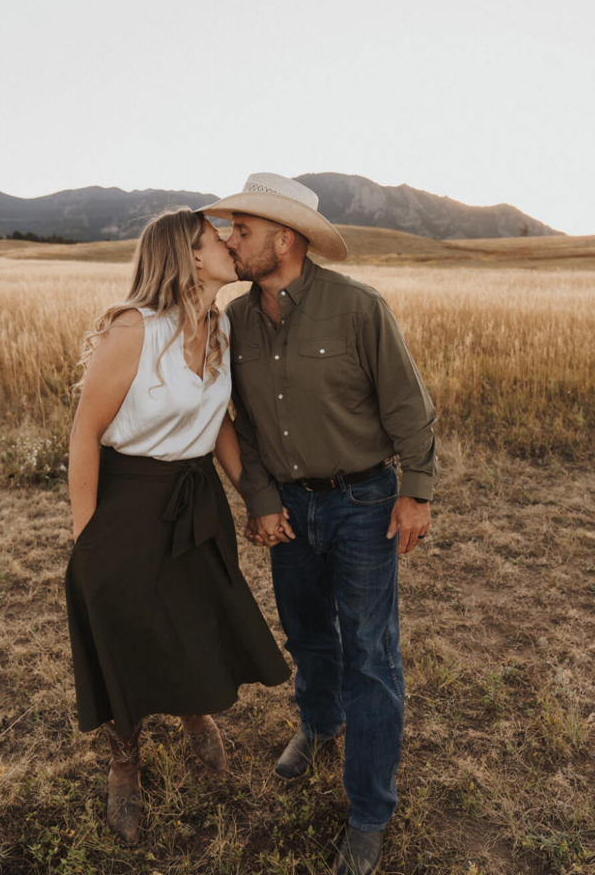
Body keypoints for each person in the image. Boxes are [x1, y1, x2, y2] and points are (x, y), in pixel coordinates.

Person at [201, 174, 436, 875]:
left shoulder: (357, 307)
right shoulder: (232, 320)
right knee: (307, 633)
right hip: (288, 511)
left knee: (369, 654)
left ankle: (367, 813)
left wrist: (415, 493)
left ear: (284, 238)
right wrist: (259, 497)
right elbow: (233, 421)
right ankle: (318, 723)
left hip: (364, 503)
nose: (228, 241)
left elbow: (408, 409)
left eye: (240, 230)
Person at [65, 207, 290, 846]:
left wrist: (254, 494)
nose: (229, 246)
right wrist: (88, 540)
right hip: (128, 500)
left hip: (195, 496)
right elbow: (84, 432)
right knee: (124, 625)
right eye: (216, 239)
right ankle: (124, 761)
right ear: (189, 257)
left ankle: (194, 713)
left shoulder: (216, 324)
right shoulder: (135, 330)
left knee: (192, 614)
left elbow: (216, 421)